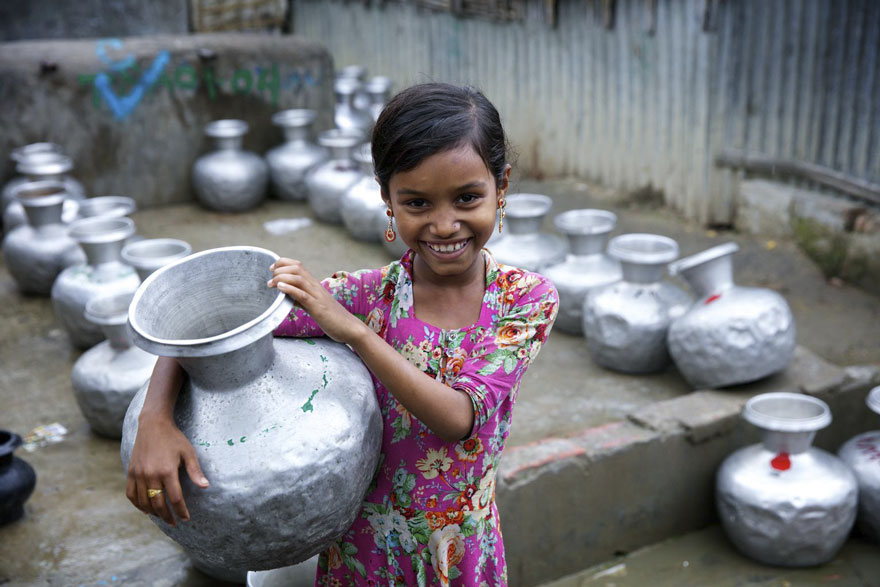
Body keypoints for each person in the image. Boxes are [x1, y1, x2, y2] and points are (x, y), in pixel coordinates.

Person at [126, 82, 559, 586]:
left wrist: (353, 333)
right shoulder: (367, 294)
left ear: (501, 186)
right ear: (388, 201)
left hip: (458, 555)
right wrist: (155, 420)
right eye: (417, 203)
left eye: (467, 198)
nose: (445, 225)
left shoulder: (524, 300)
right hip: (364, 556)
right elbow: (216, 320)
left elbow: (458, 418)